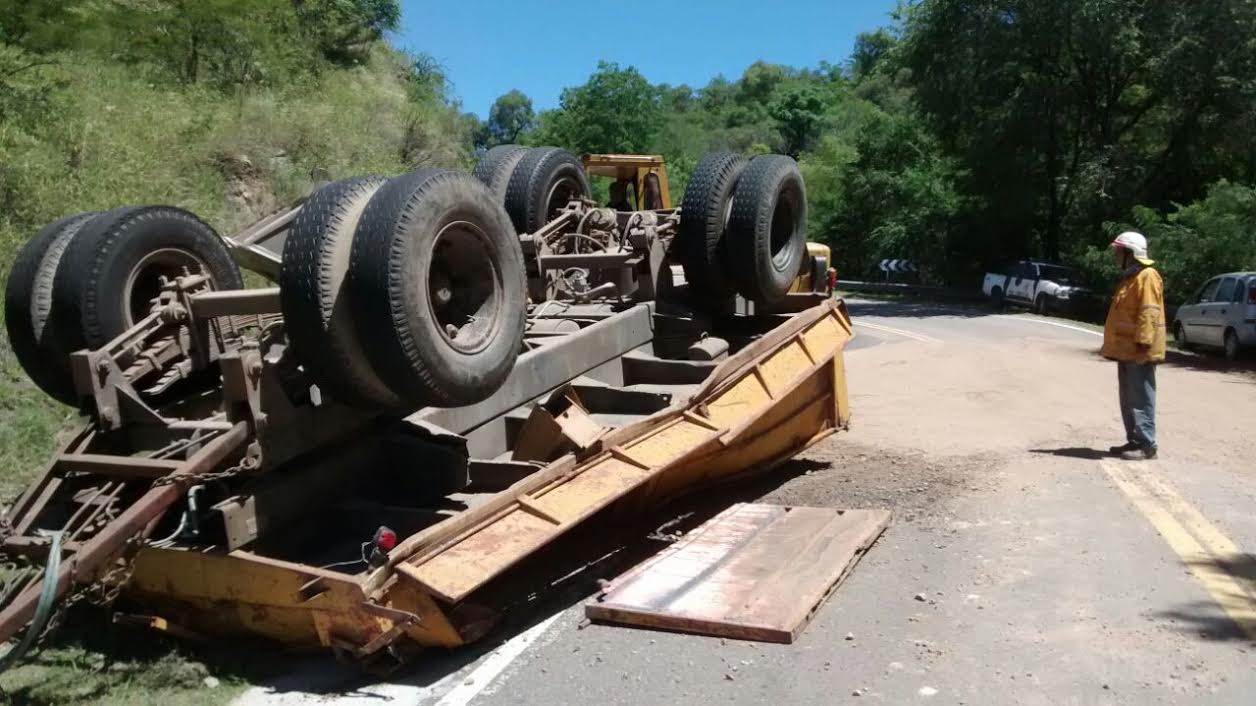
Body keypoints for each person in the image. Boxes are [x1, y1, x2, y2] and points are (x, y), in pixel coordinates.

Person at [1101, 231, 1166, 460]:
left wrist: (1144, 342)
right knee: (1128, 398)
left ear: (1131, 253)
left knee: (1141, 398)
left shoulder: (1147, 276)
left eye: (1119, 251)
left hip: (1140, 349)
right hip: (1127, 349)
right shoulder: (1130, 278)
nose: (1116, 255)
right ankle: (1134, 441)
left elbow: (1149, 311)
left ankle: (1147, 445)